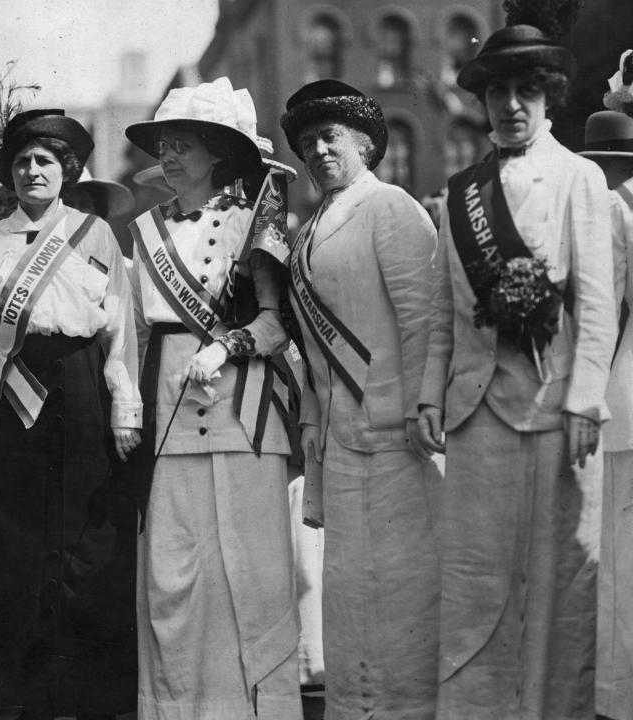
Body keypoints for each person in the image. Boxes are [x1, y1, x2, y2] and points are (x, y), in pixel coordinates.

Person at [416, 7, 615, 717]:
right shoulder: (461, 192)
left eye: (524, 92)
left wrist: (586, 398)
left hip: (555, 411)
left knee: (557, 582)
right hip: (475, 413)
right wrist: (430, 399)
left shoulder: (579, 179)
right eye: (496, 93)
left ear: (547, 97)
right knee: (477, 585)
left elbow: (597, 300)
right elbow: (442, 310)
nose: (508, 106)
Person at [0, 107, 142, 719]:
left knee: (87, 540)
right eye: (24, 161)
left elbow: (119, 331)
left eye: (47, 161)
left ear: (68, 171)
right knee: (17, 546)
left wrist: (125, 407)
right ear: (8, 171)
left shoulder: (96, 234)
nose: (34, 170)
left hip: (82, 391)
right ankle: (19, 699)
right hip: (13, 398)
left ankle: (88, 696)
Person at [125, 76, 301, 720]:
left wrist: (227, 346)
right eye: (165, 145)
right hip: (169, 416)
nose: (170, 157)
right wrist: (129, 410)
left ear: (219, 153)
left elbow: (277, 323)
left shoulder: (257, 222)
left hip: (243, 415)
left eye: (185, 145)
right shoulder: (142, 232)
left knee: (252, 572)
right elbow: (133, 331)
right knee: (174, 576)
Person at [279, 79, 442, 719]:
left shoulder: (391, 207)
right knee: (351, 589)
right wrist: (315, 420)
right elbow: (316, 356)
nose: (319, 150)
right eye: (309, 140)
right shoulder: (309, 231)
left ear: (366, 144)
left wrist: (421, 408)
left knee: (403, 582)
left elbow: (424, 321)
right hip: (342, 439)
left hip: (400, 433)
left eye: (332, 137)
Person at [579, 107, 633, 720]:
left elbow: (605, 308)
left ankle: (617, 696)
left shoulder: (612, 207)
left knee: (619, 555)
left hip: (623, 391)